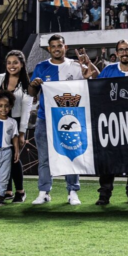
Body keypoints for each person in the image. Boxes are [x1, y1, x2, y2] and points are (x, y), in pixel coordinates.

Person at [29, 35, 99, 205]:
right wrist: (34, 85)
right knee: (44, 158)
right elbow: (31, 94)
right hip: (45, 119)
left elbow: (95, 78)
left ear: (65, 47)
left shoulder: (75, 66)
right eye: (53, 46)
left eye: (59, 45)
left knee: (71, 155)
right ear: (49, 49)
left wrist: (90, 67)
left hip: (69, 118)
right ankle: (44, 191)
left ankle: (73, 192)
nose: (56, 48)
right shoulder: (41, 67)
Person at [95, 40, 128, 205]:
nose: (124, 53)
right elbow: (96, 90)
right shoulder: (108, 71)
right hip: (112, 122)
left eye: (127, 50)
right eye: (121, 50)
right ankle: (104, 194)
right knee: (108, 159)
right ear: (117, 53)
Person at [0, 50, 33, 202]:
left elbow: (26, 110)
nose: (12, 66)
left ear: (22, 64)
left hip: (15, 121)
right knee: (0, 156)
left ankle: (20, 191)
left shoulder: (26, 84)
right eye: (9, 63)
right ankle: (7, 190)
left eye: (15, 62)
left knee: (14, 157)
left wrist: (21, 132)